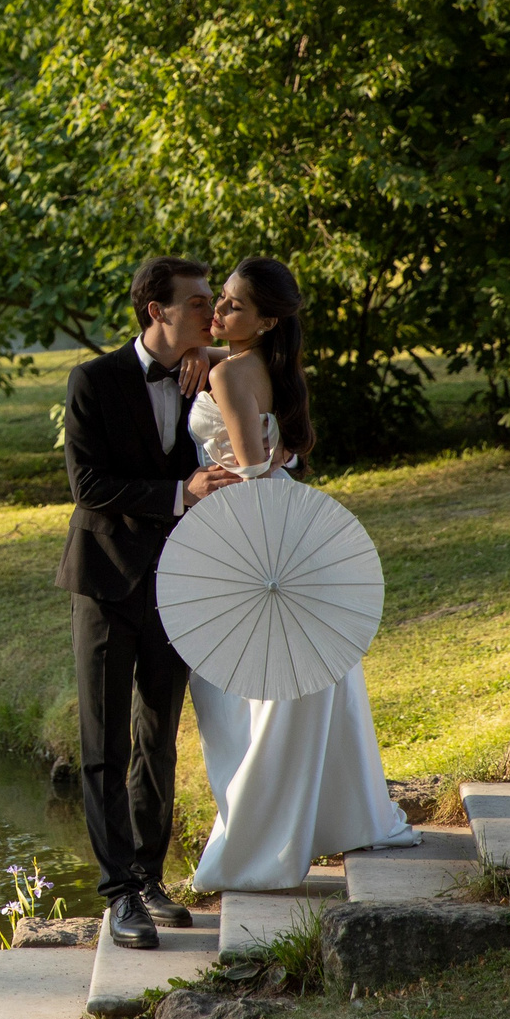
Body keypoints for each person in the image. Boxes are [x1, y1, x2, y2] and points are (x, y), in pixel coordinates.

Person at [175, 257, 416, 889]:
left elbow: (253, 475)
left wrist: (253, 565)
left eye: (231, 305)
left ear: (267, 318)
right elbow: (278, 458)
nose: (218, 313)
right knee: (292, 683)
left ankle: (258, 840)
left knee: (238, 691)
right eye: (218, 302)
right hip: (287, 521)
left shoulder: (229, 374)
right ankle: (322, 817)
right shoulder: (272, 368)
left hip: (252, 535)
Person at [57, 256, 243, 950]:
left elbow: (262, 369)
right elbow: (90, 486)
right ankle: (118, 895)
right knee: (104, 743)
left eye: (212, 302)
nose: (211, 311)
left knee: (157, 739)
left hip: (176, 584)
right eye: (197, 303)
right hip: (106, 582)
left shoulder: (204, 374)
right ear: (154, 311)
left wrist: (214, 354)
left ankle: (150, 874)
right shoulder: (93, 381)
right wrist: (178, 494)